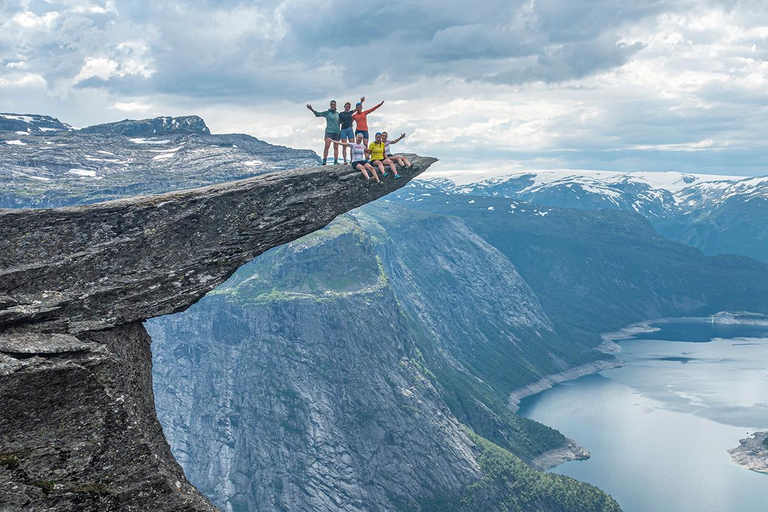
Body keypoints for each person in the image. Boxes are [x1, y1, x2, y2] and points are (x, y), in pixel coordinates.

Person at [306, 100, 341, 165]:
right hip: (329, 132)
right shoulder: (327, 113)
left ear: (336, 105)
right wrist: (311, 109)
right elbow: (318, 114)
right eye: (332, 104)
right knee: (327, 146)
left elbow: (341, 121)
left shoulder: (338, 114)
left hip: (337, 132)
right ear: (330, 105)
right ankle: (324, 161)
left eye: (334, 104)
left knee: (336, 147)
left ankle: (336, 161)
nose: (333, 106)